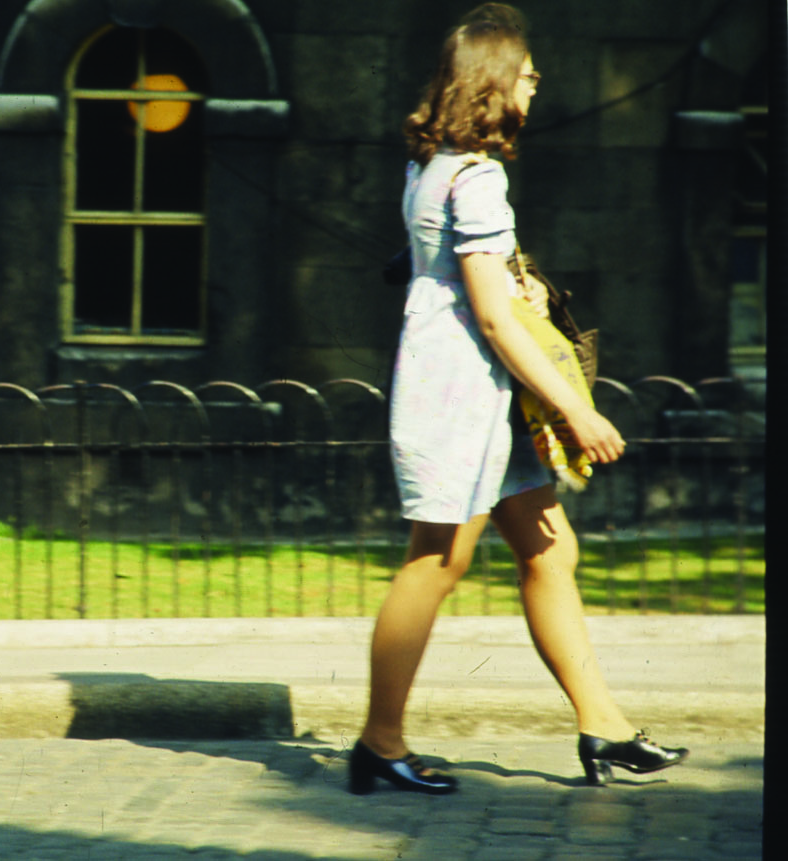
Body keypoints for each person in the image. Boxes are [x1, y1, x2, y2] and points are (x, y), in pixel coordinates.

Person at [351, 3, 688, 794]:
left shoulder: (433, 165)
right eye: (529, 73)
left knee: (550, 548)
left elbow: (448, 274)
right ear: (497, 82)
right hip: (459, 389)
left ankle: (602, 725)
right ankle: (379, 743)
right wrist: (578, 410)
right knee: (436, 560)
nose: (537, 86)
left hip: (479, 391)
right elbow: (497, 323)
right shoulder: (477, 177)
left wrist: (509, 273)